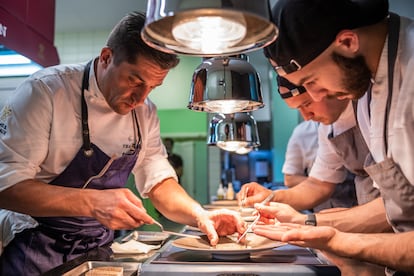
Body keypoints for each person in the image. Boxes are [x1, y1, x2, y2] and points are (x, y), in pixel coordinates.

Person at [0, 11, 245, 275]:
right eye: (134, 81)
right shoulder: (45, 92)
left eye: (153, 87)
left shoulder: (145, 113)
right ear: (106, 58)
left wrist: (199, 215)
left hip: (98, 251)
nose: (140, 99)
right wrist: (94, 202)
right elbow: (7, 187)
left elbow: (159, 182)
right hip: (34, 250)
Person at [255, 0, 414, 274]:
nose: (316, 97)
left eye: (312, 81)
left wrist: (339, 239)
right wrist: (312, 226)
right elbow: (399, 207)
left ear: (348, 42)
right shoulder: (367, 86)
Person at [238, 76, 380, 231]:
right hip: (371, 224)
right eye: (299, 109)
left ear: (324, 88)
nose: (306, 116)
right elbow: (318, 185)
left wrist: (306, 220)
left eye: (306, 104)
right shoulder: (328, 129)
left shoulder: (373, 105)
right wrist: (271, 196)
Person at [282, 119, 357, 212]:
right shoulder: (303, 132)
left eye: (307, 104)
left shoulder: (356, 120)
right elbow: (290, 179)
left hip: (363, 203)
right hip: (325, 207)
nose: (306, 116)